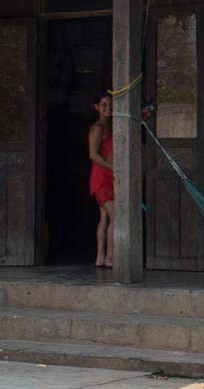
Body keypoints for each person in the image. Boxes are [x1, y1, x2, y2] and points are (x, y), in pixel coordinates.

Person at [88, 94, 114, 267]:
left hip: (110, 177)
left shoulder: (112, 127)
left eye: (110, 104)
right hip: (101, 178)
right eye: (103, 104)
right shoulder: (97, 128)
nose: (108, 107)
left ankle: (100, 257)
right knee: (117, 217)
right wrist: (113, 168)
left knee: (104, 217)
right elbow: (93, 155)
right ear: (96, 107)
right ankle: (111, 258)